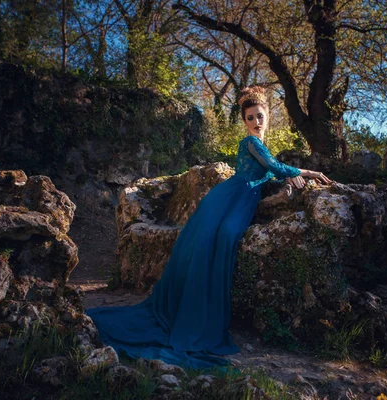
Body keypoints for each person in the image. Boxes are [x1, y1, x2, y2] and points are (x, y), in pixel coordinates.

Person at [86, 86, 332, 369]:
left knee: (225, 238)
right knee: (217, 238)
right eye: (250, 118)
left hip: (242, 199)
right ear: (244, 121)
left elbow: (271, 172)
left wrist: (287, 180)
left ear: (268, 117)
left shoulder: (262, 145)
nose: (256, 122)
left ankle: (207, 310)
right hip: (228, 197)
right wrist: (306, 172)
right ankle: (196, 313)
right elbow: (273, 166)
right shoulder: (251, 143)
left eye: (260, 116)